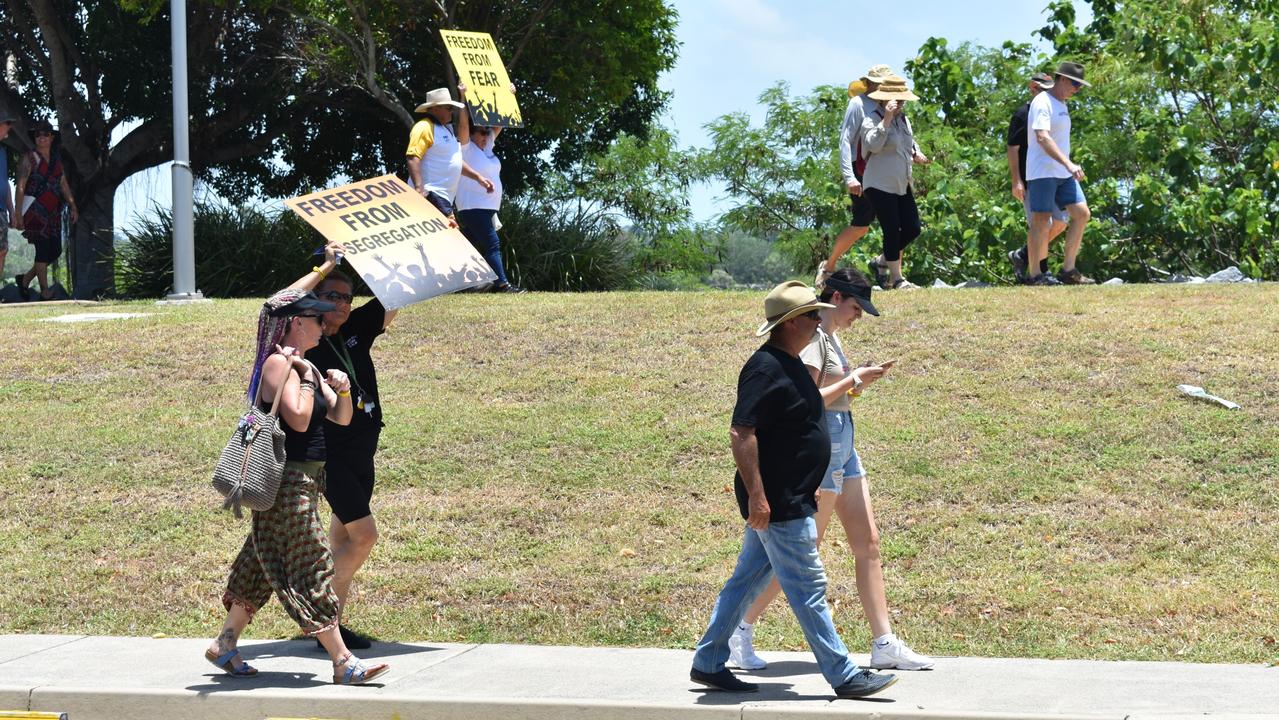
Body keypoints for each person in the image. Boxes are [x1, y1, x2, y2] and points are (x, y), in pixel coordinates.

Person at [689, 281, 897, 699]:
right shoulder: (764, 368)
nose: (818, 321)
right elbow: (741, 432)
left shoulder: (790, 364)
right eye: (811, 315)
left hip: (794, 493)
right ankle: (843, 674)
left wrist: (811, 484)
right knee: (809, 586)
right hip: (776, 501)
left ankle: (709, 661)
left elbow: (801, 425)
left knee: (745, 581)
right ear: (790, 324)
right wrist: (758, 497)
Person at [728, 269, 934, 673]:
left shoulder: (830, 338)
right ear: (836, 298)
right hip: (824, 443)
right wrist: (854, 378)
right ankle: (739, 630)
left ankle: (884, 642)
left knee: (868, 541)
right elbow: (805, 403)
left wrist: (858, 382)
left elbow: (830, 396)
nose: (858, 316)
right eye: (856, 307)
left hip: (844, 440)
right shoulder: (810, 341)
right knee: (798, 549)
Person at [206, 287, 390, 686]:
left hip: (308, 478)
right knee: (311, 563)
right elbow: (301, 419)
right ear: (295, 324)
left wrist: (339, 387)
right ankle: (343, 661)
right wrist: (308, 377)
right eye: (316, 319)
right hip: (286, 479)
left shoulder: (305, 365)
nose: (324, 325)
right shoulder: (279, 365)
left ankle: (225, 643)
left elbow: (341, 418)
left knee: (258, 564)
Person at [289, 241, 398, 651]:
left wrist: (423, 240)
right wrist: (327, 264)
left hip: (363, 449)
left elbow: (396, 295)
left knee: (341, 542)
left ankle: (331, 627)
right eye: (332, 296)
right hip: (327, 454)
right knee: (364, 536)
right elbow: (283, 302)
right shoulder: (304, 340)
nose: (342, 305)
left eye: (347, 297)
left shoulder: (353, 329)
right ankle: (318, 614)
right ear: (315, 300)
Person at [817, 65, 894, 288]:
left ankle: (885, 267)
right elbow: (845, 140)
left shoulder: (889, 104)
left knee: (901, 223)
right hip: (861, 167)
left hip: (886, 167)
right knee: (861, 225)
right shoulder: (858, 104)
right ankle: (828, 266)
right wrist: (849, 176)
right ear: (869, 83)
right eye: (878, 82)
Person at [1025, 61, 1095, 286]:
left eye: (1080, 86)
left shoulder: (1062, 104)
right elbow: (1042, 137)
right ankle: (1036, 275)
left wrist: (1066, 166)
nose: (1077, 89)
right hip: (1043, 171)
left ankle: (1068, 270)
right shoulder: (1042, 102)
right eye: (1075, 83)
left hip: (1063, 173)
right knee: (1041, 221)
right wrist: (1069, 164)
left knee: (1082, 214)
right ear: (1062, 79)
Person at [860, 76, 930, 290]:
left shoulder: (904, 120)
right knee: (891, 229)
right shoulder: (871, 119)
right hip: (879, 183)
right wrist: (887, 118)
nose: (900, 104)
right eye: (897, 100)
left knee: (912, 228)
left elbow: (909, 143)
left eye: (902, 100)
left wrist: (917, 154)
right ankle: (897, 279)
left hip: (902, 182)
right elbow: (872, 145)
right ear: (885, 99)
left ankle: (881, 261)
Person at [1007, 72, 1070, 283]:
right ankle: (1040, 272)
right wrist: (1016, 180)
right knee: (1041, 223)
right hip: (1030, 178)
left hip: (1052, 176)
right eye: (1042, 90)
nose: (1046, 94)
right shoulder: (1022, 113)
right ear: (1032, 88)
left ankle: (1023, 255)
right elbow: (1013, 149)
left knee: (1060, 222)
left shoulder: (1054, 109)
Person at [406, 83, 494, 222]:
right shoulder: (424, 127)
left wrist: (478, 177)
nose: (451, 112)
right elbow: (413, 157)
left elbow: (455, 161)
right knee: (451, 234)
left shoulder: (446, 130)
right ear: (435, 108)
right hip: (431, 194)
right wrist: (419, 188)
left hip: (441, 198)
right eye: (448, 108)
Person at [13, 120, 78, 301]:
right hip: (34, 209)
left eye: (45, 134)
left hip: (53, 212)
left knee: (55, 251)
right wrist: (18, 213)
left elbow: (63, 184)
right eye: (38, 135)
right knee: (42, 250)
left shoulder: (56, 161)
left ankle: (25, 280)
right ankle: (45, 291)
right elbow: (21, 186)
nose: (41, 137)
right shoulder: (29, 158)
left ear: (51, 137)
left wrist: (73, 205)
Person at [457, 120, 523, 293]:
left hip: (487, 208)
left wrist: (509, 96)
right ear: (470, 134)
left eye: (487, 132)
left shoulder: (486, 149)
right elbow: (463, 125)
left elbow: (499, 123)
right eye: (481, 132)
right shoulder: (466, 149)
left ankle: (458, 283)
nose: (486, 135)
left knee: (467, 244)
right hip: (472, 206)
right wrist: (462, 98)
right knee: (492, 244)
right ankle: (502, 284)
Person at [0, 114, 15, 279]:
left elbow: (5, 181)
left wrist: (11, 209)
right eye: (7, 123)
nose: (9, 128)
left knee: (2, 249)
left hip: (2, 208)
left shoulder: (3, 151)